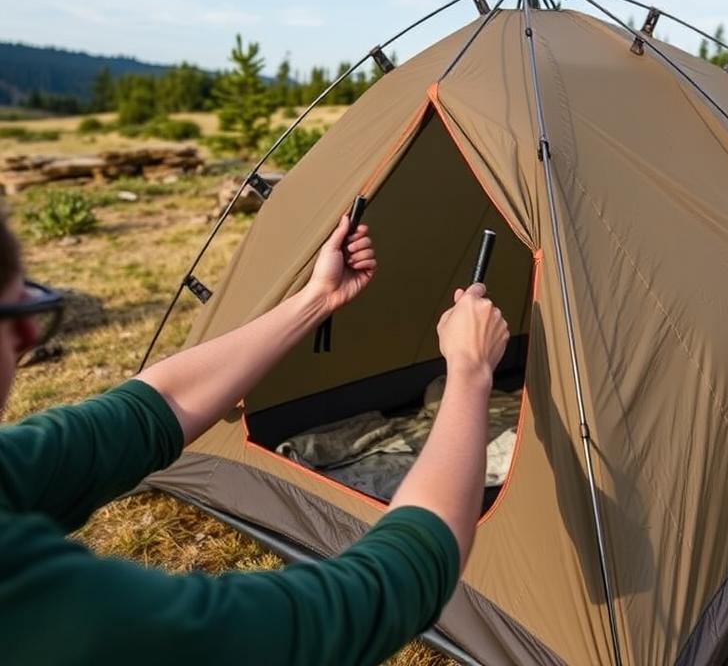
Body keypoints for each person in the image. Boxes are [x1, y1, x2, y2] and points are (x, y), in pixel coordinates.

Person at [0, 211, 510, 666]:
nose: (27, 339)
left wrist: (316, 300)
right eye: (14, 315)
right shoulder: (33, 604)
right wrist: (468, 372)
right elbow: (372, 596)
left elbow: (150, 413)